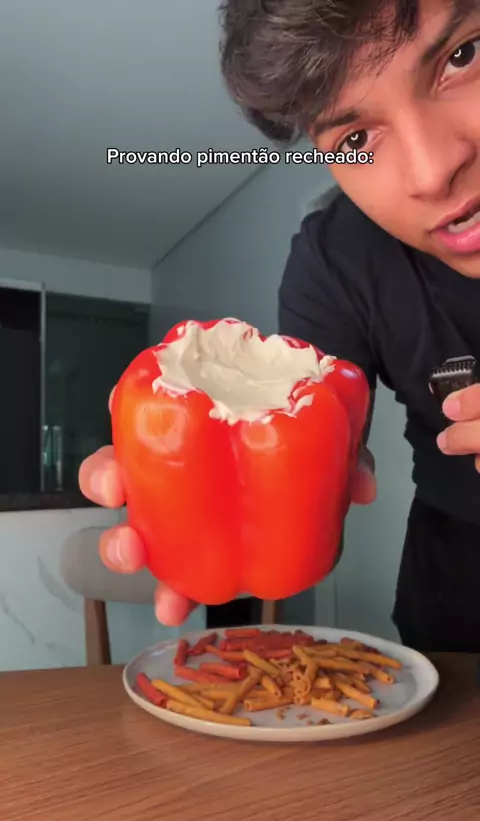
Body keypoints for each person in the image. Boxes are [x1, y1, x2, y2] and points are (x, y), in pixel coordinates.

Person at [80, 0, 480, 652]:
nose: (433, 171)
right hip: (457, 594)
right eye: (355, 140)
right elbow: (309, 433)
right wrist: (185, 475)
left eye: (462, 56)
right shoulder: (336, 261)